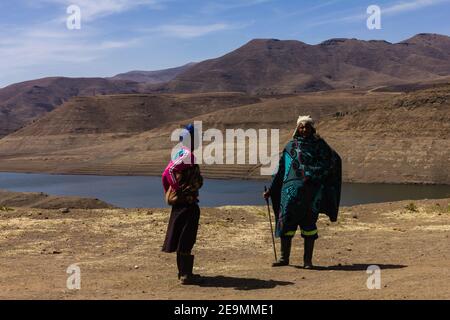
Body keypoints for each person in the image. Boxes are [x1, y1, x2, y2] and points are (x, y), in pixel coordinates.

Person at [263, 115, 341, 269]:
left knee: (309, 225)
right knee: (286, 223)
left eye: (307, 127)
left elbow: (332, 162)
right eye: (301, 127)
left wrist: (313, 175)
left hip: (312, 193)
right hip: (290, 194)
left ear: (312, 128)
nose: (304, 129)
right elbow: (281, 170)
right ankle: (284, 258)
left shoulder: (320, 145)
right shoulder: (290, 146)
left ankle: (307, 261)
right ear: (297, 128)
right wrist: (271, 190)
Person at [162, 124, 203, 284]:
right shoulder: (187, 155)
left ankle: (184, 273)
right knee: (186, 237)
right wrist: (177, 188)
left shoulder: (180, 153)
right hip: (187, 203)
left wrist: (170, 191)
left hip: (181, 203)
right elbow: (168, 172)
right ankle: (186, 275)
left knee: (182, 237)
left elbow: (166, 174)